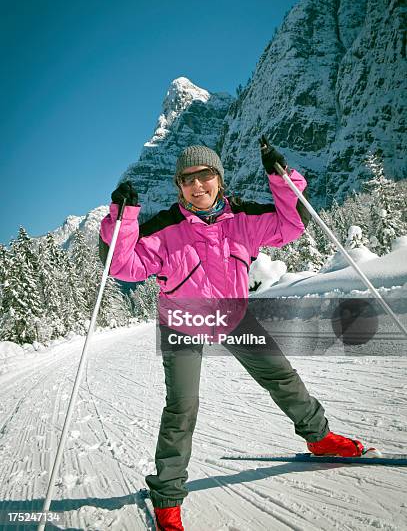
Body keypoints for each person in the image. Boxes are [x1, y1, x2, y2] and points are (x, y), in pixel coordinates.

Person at [99, 140, 364, 531]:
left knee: (281, 375)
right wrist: (123, 218)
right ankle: (168, 497)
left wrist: (281, 178)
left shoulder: (243, 219)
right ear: (179, 186)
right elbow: (123, 266)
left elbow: (290, 225)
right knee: (182, 407)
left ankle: (319, 437)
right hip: (183, 321)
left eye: (205, 175)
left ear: (219, 180)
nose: (197, 185)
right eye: (188, 179)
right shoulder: (164, 229)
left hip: (233, 315)